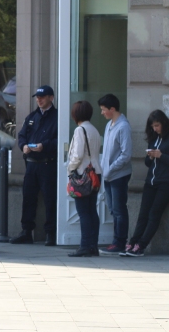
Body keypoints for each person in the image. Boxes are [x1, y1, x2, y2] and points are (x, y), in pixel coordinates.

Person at [11, 85, 59, 245]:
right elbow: (22, 134)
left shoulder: (58, 117)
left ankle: (51, 233)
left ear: (51, 98)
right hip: (31, 164)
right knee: (28, 198)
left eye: (43, 97)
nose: (39, 100)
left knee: (50, 199)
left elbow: (61, 141)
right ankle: (26, 231)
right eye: (37, 97)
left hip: (47, 164)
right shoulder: (32, 116)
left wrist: (44, 145)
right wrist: (23, 145)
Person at [123, 110, 169, 257]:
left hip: (165, 182)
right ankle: (132, 242)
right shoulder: (154, 138)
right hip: (150, 181)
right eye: (152, 126)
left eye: (157, 125)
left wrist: (161, 155)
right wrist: (150, 156)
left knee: (154, 214)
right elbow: (147, 163)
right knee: (143, 214)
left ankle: (141, 245)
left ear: (163, 123)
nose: (155, 129)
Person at [66, 100, 102, 257]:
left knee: (84, 212)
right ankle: (93, 245)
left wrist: (70, 168)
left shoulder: (80, 130)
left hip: (83, 173)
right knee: (92, 210)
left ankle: (85, 245)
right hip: (95, 173)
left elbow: (78, 154)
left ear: (76, 114)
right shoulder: (93, 129)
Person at [97, 94, 132, 256]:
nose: (102, 113)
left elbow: (126, 155)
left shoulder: (123, 126)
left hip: (118, 175)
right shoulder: (109, 125)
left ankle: (120, 242)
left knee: (119, 210)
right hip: (108, 175)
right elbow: (106, 152)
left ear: (112, 109)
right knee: (113, 209)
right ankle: (116, 241)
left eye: (104, 110)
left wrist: (110, 169)